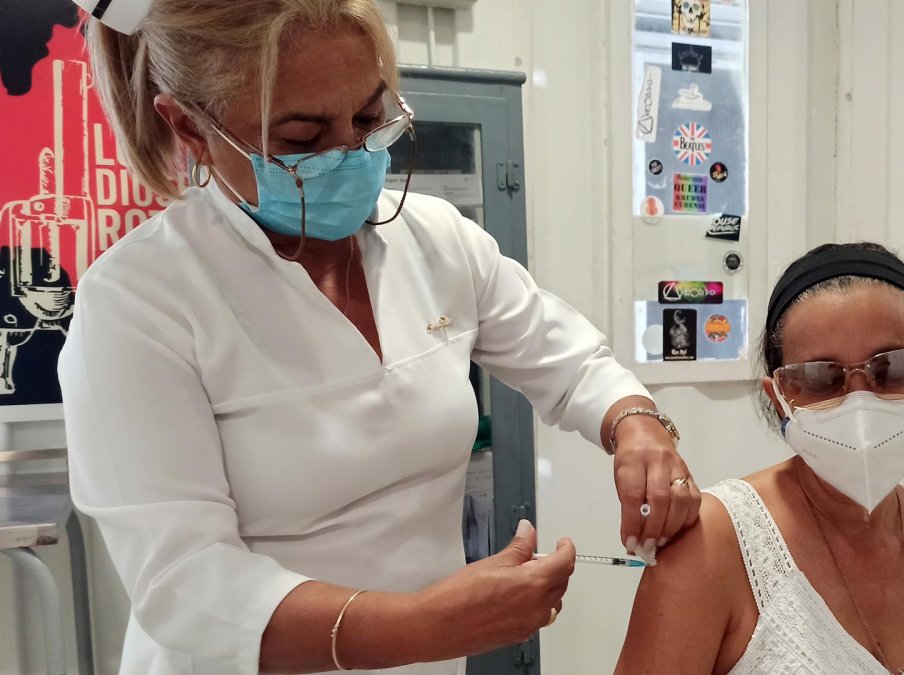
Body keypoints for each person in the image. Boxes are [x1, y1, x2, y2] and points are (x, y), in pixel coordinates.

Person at [59, 1, 700, 673]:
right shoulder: (140, 301)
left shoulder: (436, 239)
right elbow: (184, 583)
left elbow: (571, 364)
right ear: (190, 126)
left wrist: (636, 425)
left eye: (369, 119)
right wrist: (420, 625)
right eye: (302, 137)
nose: (349, 155)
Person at [616, 243, 904, 675]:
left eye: (892, 368)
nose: (860, 402)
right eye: (819, 378)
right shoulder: (714, 546)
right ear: (779, 398)